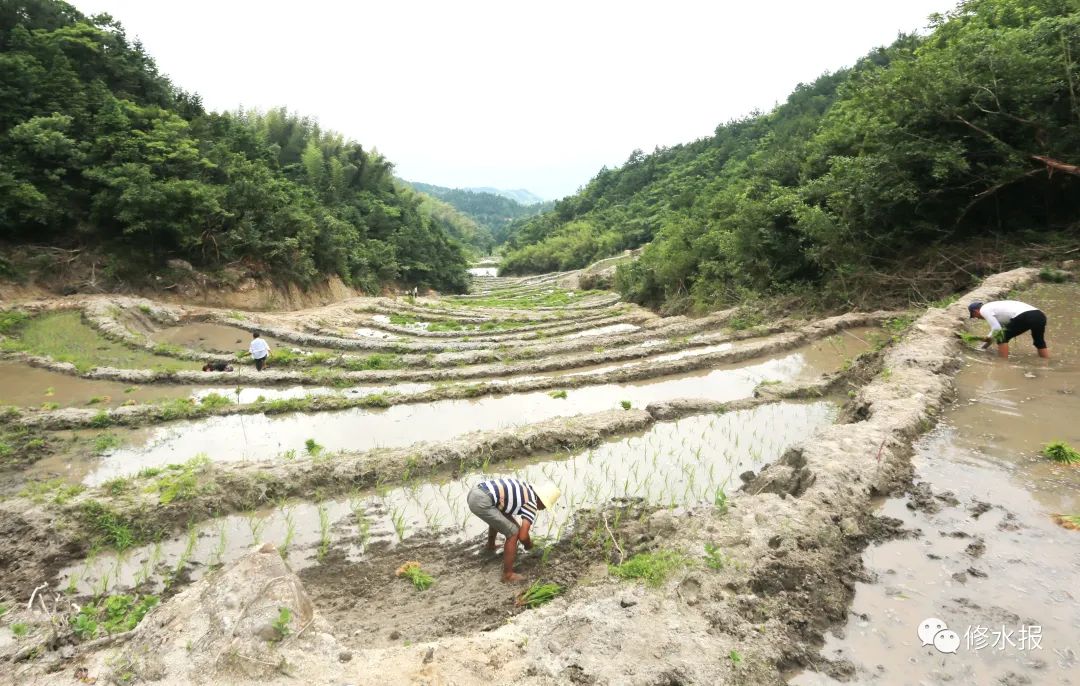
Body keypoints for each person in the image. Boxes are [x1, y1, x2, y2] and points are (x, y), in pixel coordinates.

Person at [466, 478, 560, 582]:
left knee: (501, 520)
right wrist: (529, 545)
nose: (544, 508)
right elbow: (523, 536)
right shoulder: (532, 503)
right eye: (546, 505)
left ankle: (491, 545)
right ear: (542, 500)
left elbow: (504, 513)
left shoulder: (526, 489)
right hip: (482, 501)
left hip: (475, 492)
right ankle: (508, 575)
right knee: (513, 533)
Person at [968, 300, 1049, 359]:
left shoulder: (983, 310)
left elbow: (997, 330)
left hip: (1025, 315)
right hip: (1040, 315)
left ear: (975, 311)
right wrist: (983, 347)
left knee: (1002, 338)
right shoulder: (995, 309)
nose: (977, 318)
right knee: (1039, 341)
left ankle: (1003, 364)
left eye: (974, 316)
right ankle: (1046, 363)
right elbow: (996, 332)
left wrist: (983, 343)